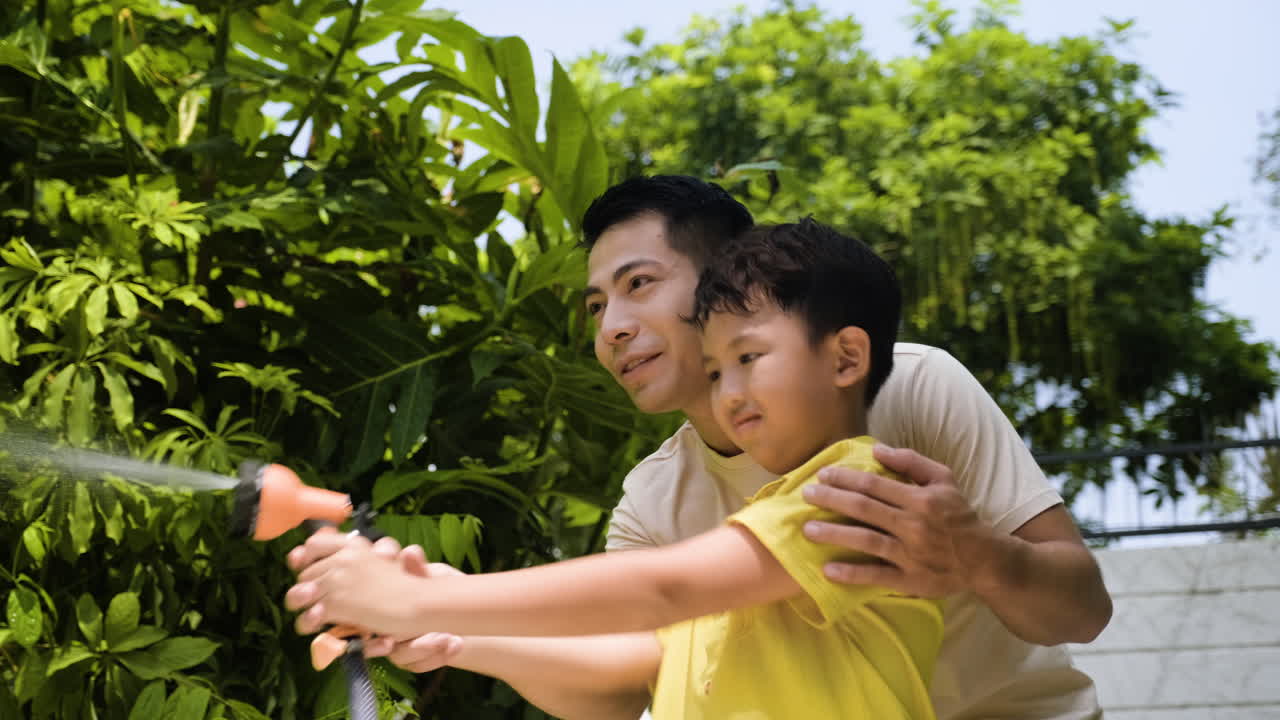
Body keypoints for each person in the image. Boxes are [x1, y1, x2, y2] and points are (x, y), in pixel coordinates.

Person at [295, 176, 1113, 719]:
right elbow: (626, 675)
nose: (611, 328)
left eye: (639, 284)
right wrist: (458, 635)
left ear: (728, 278)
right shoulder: (656, 496)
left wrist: (978, 557)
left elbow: (1084, 606)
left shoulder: (895, 406)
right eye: (594, 306)